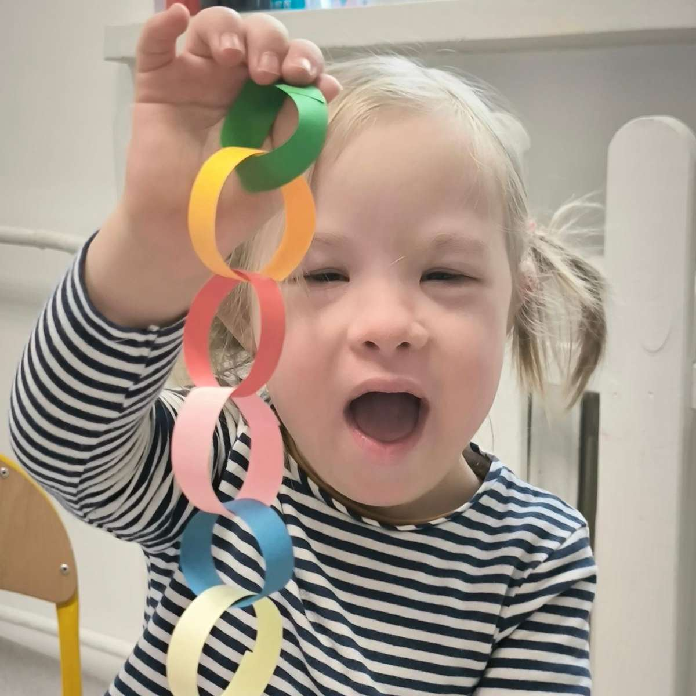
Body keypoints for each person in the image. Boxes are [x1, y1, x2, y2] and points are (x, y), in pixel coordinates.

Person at [8, 3, 606, 694]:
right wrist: (152, 243)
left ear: (516, 294)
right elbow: (62, 445)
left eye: (445, 275)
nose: (386, 324)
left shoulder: (535, 558)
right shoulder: (221, 461)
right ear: (245, 312)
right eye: (324, 275)